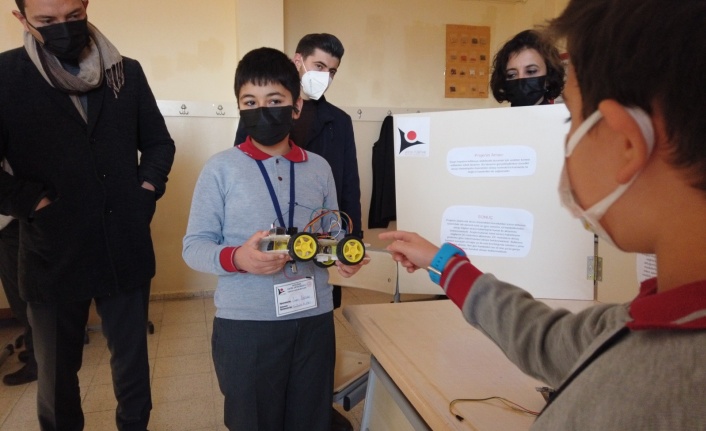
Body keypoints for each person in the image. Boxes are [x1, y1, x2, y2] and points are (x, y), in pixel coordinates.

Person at [380, 0, 706, 429]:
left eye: (571, 118)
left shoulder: (648, 397)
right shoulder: (646, 320)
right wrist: (443, 262)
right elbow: (550, 341)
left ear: (627, 142)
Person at [0, 0, 175, 429]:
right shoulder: (5, 76)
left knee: (132, 372)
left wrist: (145, 191)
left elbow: (158, 143)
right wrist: (34, 203)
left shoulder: (125, 72)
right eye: (47, 21)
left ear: (86, 6)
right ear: (22, 19)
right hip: (51, 250)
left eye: (73, 16)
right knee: (56, 378)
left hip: (123, 244)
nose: (63, 27)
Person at [183, 47, 365, 431]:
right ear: (239, 106)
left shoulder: (319, 168)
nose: (262, 110)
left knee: (311, 419)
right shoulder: (220, 169)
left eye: (275, 100)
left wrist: (340, 255)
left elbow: (332, 233)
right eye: (250, 102)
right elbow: (194, 246)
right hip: (247, 324)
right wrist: (239, 258)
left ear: (296, 106)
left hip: (313, 319)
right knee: (254, 420)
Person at [235, 33, 362, 311]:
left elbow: (349, 185)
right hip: (268, 236)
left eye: (332, 72)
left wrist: (353, 240)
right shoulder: (261, 112)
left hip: (318, 240)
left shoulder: (339, 121)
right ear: (298, 61)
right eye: (319, 66)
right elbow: (243, 169)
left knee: (318, 307)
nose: (325, 76)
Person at [0, 216, 37, 386]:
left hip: (13, 223)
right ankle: (35, 351)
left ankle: (37, 361)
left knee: (22, 299)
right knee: (19, 297)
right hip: (13, 223)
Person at [489, 29, 564, 107]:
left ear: (549, 76)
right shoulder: (495, 115)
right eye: (511, 75)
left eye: (531, 71)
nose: (521, 80)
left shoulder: (561, 114)